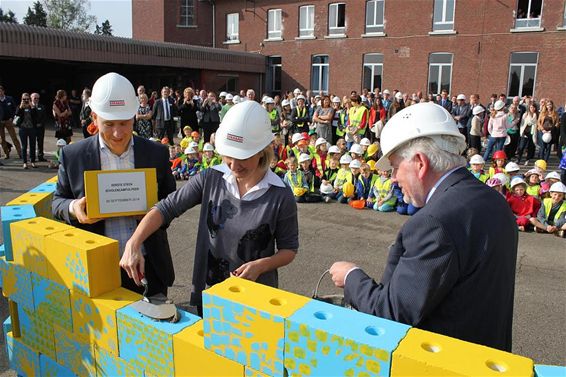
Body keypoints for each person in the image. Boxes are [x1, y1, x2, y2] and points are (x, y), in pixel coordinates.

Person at [329, 102, 518, 352]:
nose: (394, 178)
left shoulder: (434, 222)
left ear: (420, 162)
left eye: (396, 167)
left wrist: (352, 277)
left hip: (445, 363)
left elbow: (392, 314)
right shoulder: (493, 200)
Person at [120, 101, 298, 315]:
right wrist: (134, 242)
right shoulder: (210, 178)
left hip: (257, 297)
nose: (233, 165)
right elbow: (166, 208)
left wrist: (261, 265)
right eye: (228, 156)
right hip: (211, 290)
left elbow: (289, 250)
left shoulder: (280, 194)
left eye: (242, 157)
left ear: (261, 151)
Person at [52, 72, 176, 297]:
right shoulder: (73, 156)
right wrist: (74, 208)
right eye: (109, 124)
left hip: (149, 264)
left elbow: (170, 199)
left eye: (124, 123)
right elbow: (57, 202)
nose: (118, 133)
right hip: (95, 268)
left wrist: (154, 215)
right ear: (94, 118)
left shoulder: (155, 153)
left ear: (134, 117)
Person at [15, 93, 38, 169]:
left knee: (32, 145)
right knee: (24, 146)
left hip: (32, 128)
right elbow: (17, 115)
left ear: (29, 99)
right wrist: (21, 107)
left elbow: (36, 116)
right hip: (23, 128)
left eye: (27, 99)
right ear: (21, 99)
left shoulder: (32, 106)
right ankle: (25, 162)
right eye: (24, 99)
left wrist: (32, 107)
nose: (26, 100)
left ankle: (32, 161)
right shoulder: (20, 106)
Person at [0, 85, 22, 161]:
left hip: (9, 121)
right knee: (2, 139)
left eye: (0, 91)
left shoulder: (9, 99)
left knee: (14, 138)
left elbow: (15, 109)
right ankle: (6, 154)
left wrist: (12, 118)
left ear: (3, 91)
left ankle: (20, 153)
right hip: (0, 122)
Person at [30, 92, 48, 162]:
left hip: (40, 127)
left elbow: (44, 117)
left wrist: (41, 123)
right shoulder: (29, 106)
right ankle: (33, 157)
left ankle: (40, 156)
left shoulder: (42, 106)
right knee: (32, 143)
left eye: (38, 98)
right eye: (35, 98)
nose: (36, 99)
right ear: (31, 98)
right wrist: (34, 124)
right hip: (32, 128)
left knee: (40, 142)